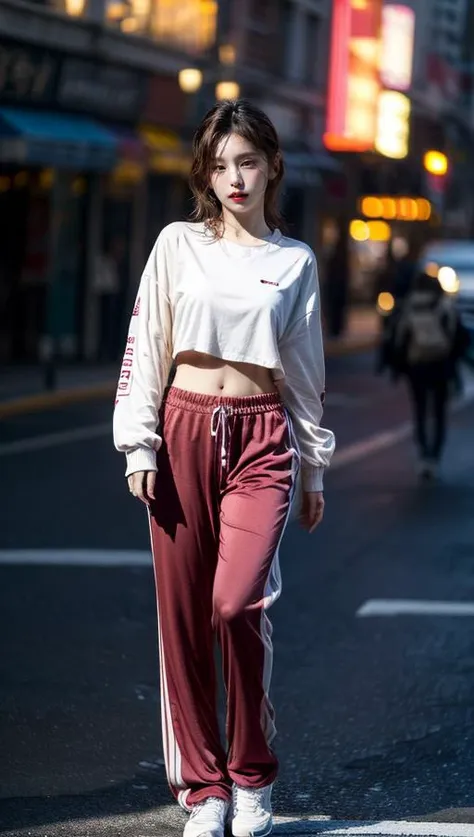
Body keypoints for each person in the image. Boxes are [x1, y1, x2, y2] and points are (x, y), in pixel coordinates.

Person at [113, 99, 335, 837]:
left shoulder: (293, 261)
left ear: (272, 165)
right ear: (206, 173)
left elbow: (303, 374)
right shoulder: (179, 244)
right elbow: (149, 341)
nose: (233, 177)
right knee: (181, 621)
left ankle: (251, 775)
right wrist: (138, 442)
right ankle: (203, 788)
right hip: (180, 426)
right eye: (219, 164)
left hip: (261, 438)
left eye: (246, 161)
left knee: (235, 605)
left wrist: (313, 468)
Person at [391, 270, 469, 480]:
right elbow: (456, 335)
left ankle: (424, 453)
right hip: (440, 364)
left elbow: (400, 338)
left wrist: (399, 366)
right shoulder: (444, 305)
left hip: (417, 365)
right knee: (439, 411)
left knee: (420, 409)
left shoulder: (409, 306)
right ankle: (435, 455)